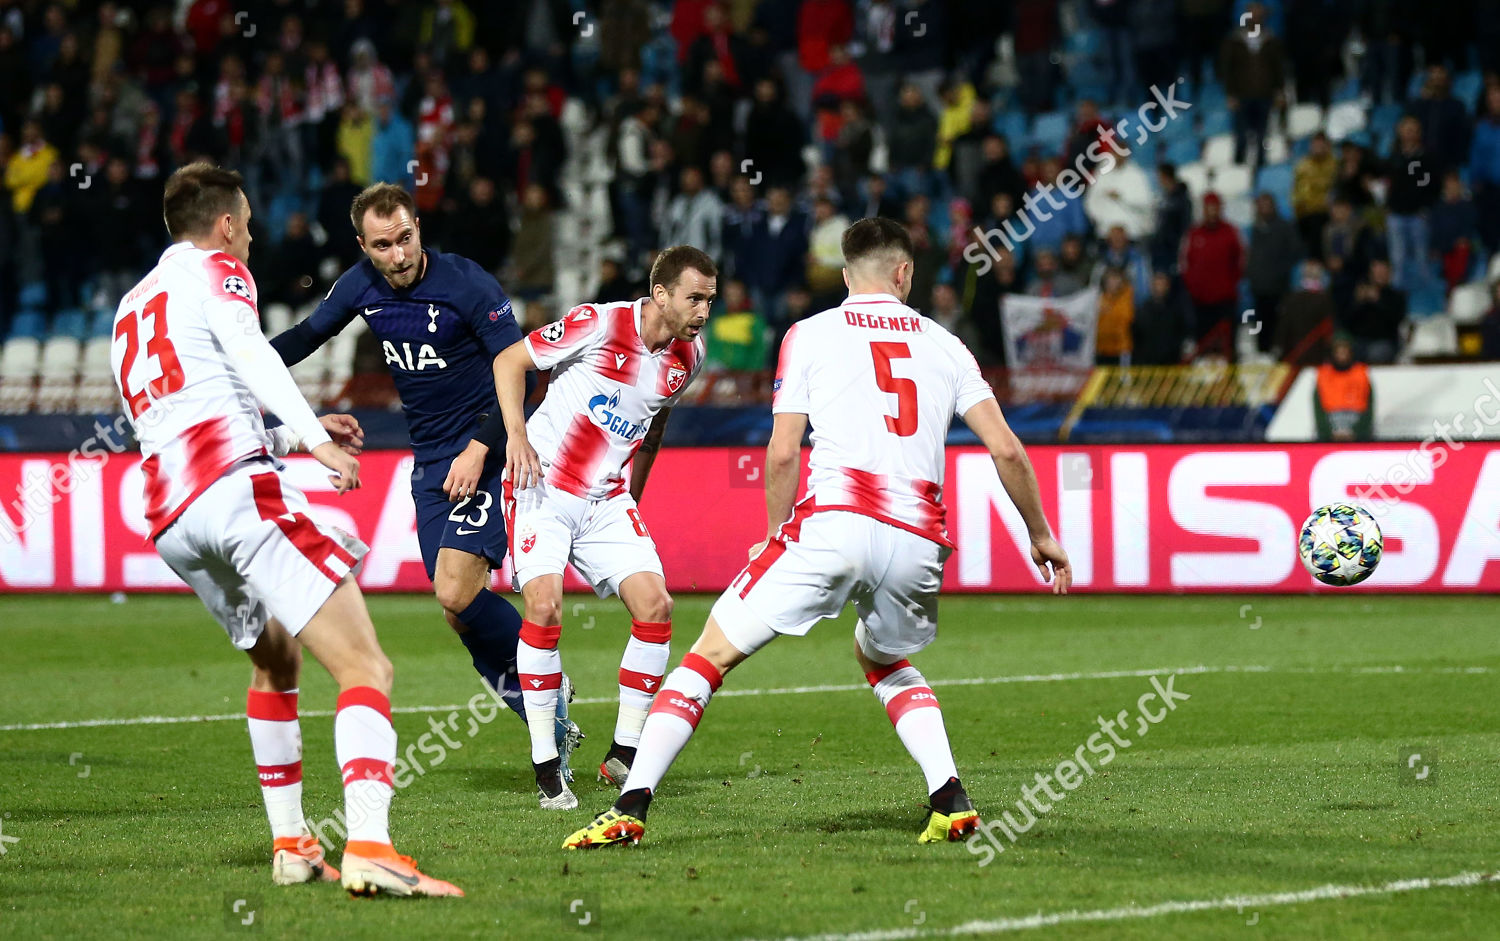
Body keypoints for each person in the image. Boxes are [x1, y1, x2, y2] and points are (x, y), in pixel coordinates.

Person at [561, 217, 1071, 851]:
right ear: (904, 273)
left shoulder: (809, 333)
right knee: (881, 655)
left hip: (835, 522)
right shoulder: (946, 344)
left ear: (843, 272)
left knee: (708, 655)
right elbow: (1008, 451)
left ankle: (630, 807)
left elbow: (781, 453)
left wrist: (773, 536)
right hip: (919, 537)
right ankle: (951, 799)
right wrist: (1041, 533)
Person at [116, 162, 460, 897]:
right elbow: (250, 353)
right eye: (246, 223)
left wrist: (273, 435)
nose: (249, 236)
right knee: (367, 666)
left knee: (276, 662)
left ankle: (294, 844)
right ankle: (369, 844)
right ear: (227, 224)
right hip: (234, 497)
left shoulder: (129, 307)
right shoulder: (220, 269)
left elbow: (183, 416)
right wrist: (311, 438)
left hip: (174, 519)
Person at [269, 183, 582, 780]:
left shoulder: (468, 285)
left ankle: (546, 690)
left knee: (453, 592)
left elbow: (527, 376)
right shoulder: (360, 284)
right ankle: (538, 700)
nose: (398, 256)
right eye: (382, 245)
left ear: (419, 229)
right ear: (364, 245)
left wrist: (480, 447)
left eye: (406, 238)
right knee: (457, 611)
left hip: (487, 451)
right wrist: (240, 367)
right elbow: (307, 337)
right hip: (431, 461)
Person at [493, 246, 715, 810]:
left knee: (656, 606)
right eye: (695, 297)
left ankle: (624, 752)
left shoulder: (689, 356)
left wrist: (633, 495)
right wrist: (515, 436)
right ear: (660, 294)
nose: (703, 311)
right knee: (543, 609)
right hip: (541, 485)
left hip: (607, 500)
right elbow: (509, 362)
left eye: (710, 300)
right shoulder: (600, 322)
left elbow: (654, 421)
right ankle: (546, 764)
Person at [1314, 333, 1374, 441]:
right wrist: (1328, 433)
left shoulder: (1361, 374)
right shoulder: (1323, 375)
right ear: (1332, 352)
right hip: (1330, 433)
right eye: (1338, 350)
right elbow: (1318, 412)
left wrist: (1357, 432)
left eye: (1345, 350)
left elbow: (1369, 410)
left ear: (1351, 351)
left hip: (1358, 433)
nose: (1342, 354)